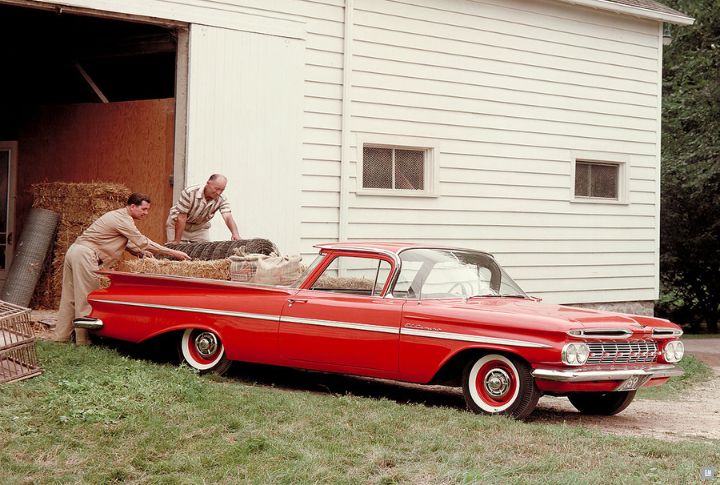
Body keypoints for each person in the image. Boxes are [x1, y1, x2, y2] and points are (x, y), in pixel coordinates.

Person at [53, 193, 191, 345]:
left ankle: (61, 337)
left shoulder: (119, 216)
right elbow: (142, 241)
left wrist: (140, 252)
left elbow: (127, 242)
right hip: (85, 255)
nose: (146, 213)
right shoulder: (122, 219)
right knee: (87, 298)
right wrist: (173, 252)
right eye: (144, 209)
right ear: (132, 206)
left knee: (70, 298)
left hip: (75, 251)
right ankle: (83, 340)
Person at [166, 174, 241, 244]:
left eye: (222, 190)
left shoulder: (222, 199)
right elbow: (181, 217)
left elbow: (228, 217)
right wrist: (177, 241)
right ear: (208, 183)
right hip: (178, 225)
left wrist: (235, 233)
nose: (218, 192)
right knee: (177, 250)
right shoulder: (190, 192)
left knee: (206, 251)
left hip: (199, 228)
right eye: (216, 189)